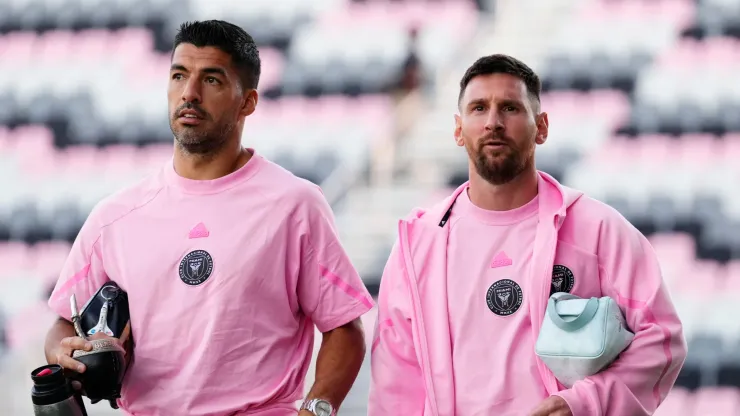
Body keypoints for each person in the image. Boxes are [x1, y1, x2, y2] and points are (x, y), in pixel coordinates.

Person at [43, 20, 374, 416]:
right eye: (179, 75)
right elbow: (63, 325)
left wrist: (315, 410)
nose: (190, 93)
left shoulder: (295, 204)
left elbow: (345, 329)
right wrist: (62, 351)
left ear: (248, 101)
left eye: (212, 80)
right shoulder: (115, 216)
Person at [367, 54, 687, 416]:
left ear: (542, 126)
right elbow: (394, 384)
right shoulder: (418, 246)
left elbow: (662, 338)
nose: (493, 122)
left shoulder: (599, 230)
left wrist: (586, 403)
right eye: (478, 108)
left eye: (510, 108)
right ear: (458, 130)